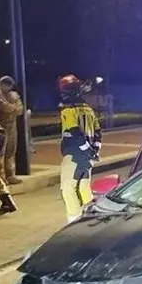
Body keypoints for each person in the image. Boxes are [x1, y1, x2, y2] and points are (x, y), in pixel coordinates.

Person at [58, 74, 102, 222]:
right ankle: (91, 218)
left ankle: (74, 221)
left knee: (68, 188)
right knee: (83, 187)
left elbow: (74, 131)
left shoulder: (68, 110)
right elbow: (97, 133)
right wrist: (94, 151)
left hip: (74, 155)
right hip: (88, 156)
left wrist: (85, 150)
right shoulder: (88, 109)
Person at [0, 75, 25, 185]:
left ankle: (10, 175)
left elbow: (20, 110)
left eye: (9, 84)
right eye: (5, 84)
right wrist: (13, 107)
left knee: (10, 151)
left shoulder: (13, 95)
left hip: (11, 127)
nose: (7, 86)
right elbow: (6, 108)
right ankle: (0, 177)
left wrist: (14, 108)